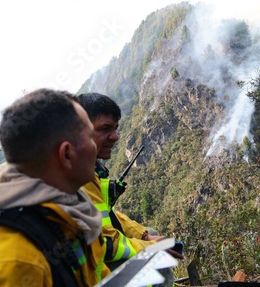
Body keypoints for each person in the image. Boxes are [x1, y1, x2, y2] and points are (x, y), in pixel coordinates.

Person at [0, 89, 110, 286]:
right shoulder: (13, 264)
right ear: (67, 154)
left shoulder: (69, 214)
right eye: (89, 136)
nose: (95, 146)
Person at [78, 92, 183, 270]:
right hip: (87, 266)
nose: (115, 137)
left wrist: (143, 236)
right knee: (157, 262)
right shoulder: (77, 175)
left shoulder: (91, 169)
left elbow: (109, 215)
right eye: (105, 129)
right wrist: (152, 248)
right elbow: (106, 245)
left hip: (95, 255)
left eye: (115, 129)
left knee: (152, 233)